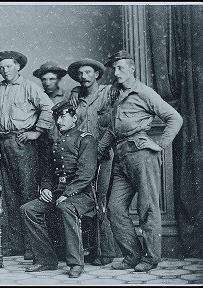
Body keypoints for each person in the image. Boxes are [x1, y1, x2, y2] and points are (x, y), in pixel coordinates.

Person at [98, 50, 183, 272]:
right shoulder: (115, 94)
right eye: (114, 69)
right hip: (120, 156)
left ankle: (151, 258)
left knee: (147, 208)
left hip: (142, 155)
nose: (116, 73)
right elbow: (112, 128)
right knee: (114, 208)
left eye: (120, 68)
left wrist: (160, 144)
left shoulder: (145, 92)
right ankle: (132, 255)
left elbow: (175, 118)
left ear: (132, 68)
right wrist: (100, 150)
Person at [0, 51, 54, 258]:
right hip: (2, 145)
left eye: (9, 66)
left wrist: (36, 131)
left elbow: (48, 107)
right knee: (9, 195)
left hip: (23, 145)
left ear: (18, 66)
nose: (5, 70)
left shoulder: (29, 87)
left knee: (27, 194)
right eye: (2, 67)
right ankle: (16, 244)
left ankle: (32, 247)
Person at [20, 100, 97, 278]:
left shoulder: (86, 139)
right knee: (28, 209)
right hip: (58, 193)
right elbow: (48, 173)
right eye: (57, 117)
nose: (59, 121)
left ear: (74, 118)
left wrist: (68, 194)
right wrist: (46, 189)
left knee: (65, 206)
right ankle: (46, 259)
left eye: (63, 116)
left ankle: (76, 263)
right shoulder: (55, 142)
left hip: (82, 195)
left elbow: (86, 174)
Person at [66, 58, 118, 266]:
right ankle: (93, 249)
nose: (84, 77)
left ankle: (106, 252)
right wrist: (74, 91)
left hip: (103, 155)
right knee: (87, 200)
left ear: (96, 74)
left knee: (101, 201)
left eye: (88, 72)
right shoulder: (76, 98)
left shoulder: (108, 92)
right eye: (80, 74)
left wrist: (100, 150)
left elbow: (112, 126)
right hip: (83, 158)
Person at [32, 61, 70, 261]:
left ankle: (67, 248)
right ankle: (52, 246)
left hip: (67, 150)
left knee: (64, 197)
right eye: (44, 79)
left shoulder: (68, 97)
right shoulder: (38, 97)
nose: (47, 83)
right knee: (47, 195)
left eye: (52, 79)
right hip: (45, 149)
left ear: (59, 79)